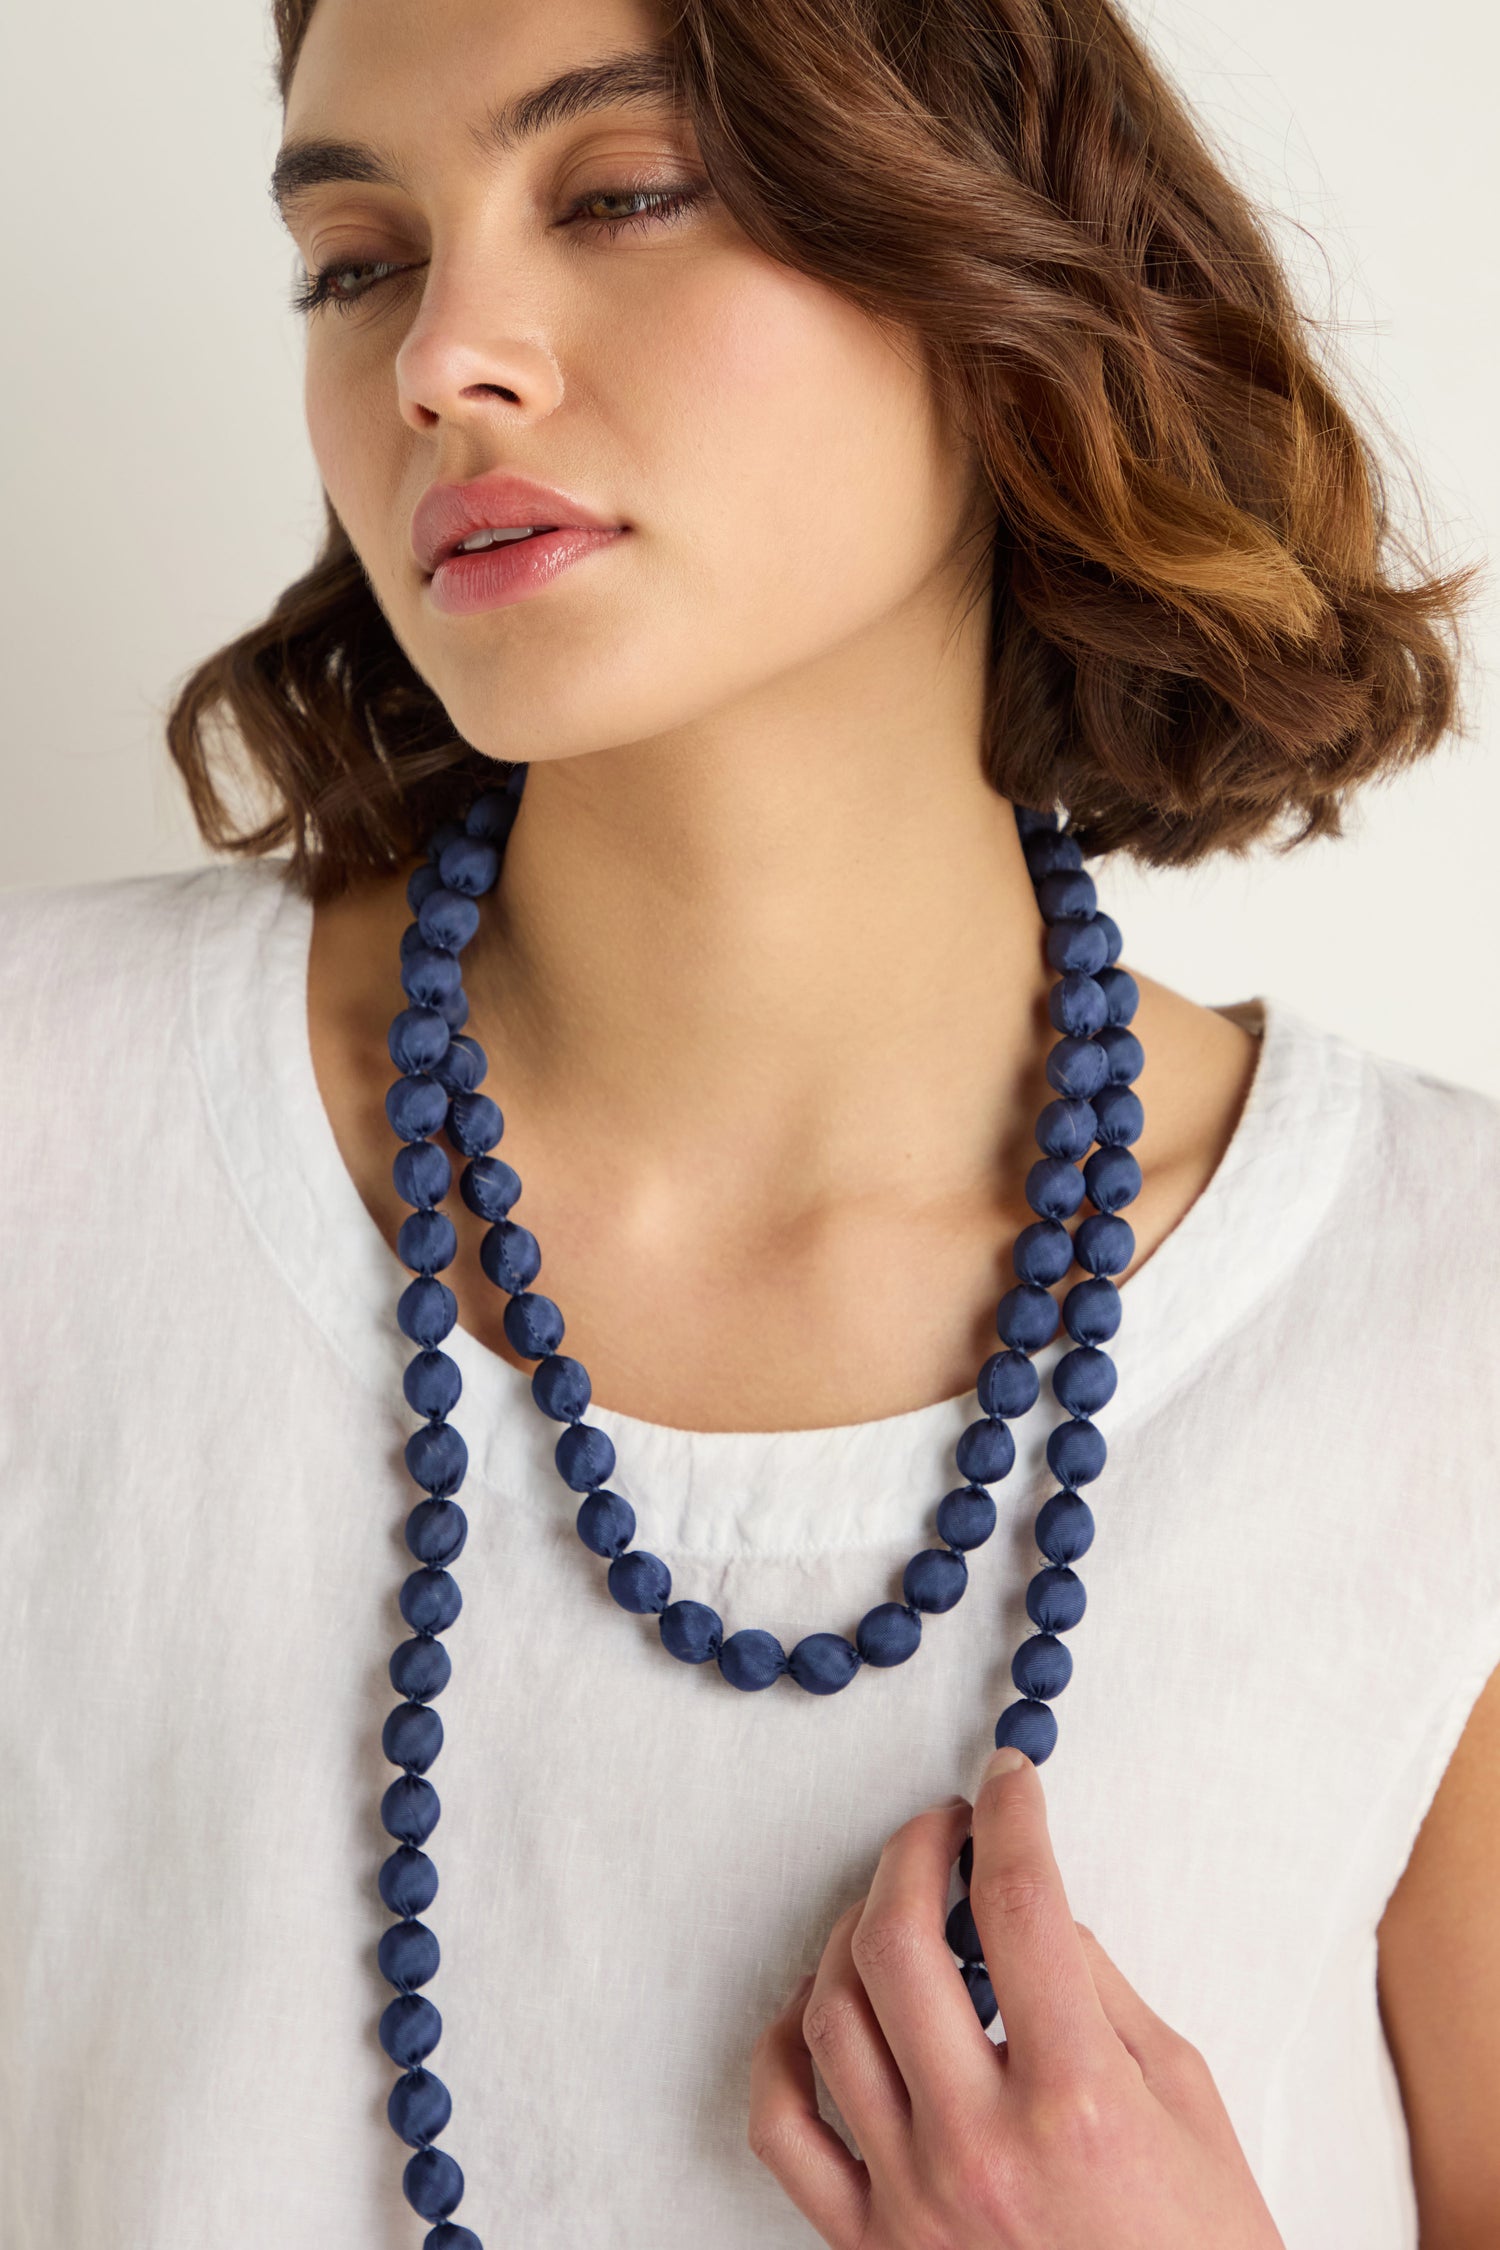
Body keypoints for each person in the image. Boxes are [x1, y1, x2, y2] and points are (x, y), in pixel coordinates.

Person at [2, 0, 1496, 2243]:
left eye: (619, 195)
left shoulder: (1440, 1320)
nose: (439, 361)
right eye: (357, 263)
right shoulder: (44, 1133)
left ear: (993, 260)